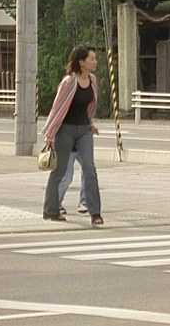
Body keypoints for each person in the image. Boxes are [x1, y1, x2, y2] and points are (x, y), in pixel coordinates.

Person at [41, 45, 103, 225]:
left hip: (84, 130)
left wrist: (91, 124)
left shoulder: (92, 80)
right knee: (59, 170)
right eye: (92, 59)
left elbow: (90, 106)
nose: (95, 62)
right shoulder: (69, 82)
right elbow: (57, 108)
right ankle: (51, 210)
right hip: (65, 130)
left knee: (89, 169)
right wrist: (50, 135)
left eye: (95, 58)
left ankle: (95, 213)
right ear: (81, 62)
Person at [58, 149, 88, 214]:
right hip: (68, 147)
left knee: (88, 172)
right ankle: (56, 203)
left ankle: (84, 201)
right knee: (67, 177)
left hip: (82, 146)